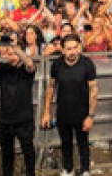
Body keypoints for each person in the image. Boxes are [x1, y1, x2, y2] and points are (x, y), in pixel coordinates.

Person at [42, 34, 98, 176]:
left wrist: (90, 116)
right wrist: (46, 112)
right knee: (65, 144)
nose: (72, 52)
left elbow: (93, 91)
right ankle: (68, 169)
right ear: (62, 50)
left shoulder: (87, 64)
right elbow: (51, 88)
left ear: (79, 47)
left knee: (83, 144)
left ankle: (85, 170)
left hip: (82, 113)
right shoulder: (57, 64)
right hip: (63, 113)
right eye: (68, 49)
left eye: (75, 48)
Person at [0, 31, 36, 176]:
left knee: (28, 152)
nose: (11, 55)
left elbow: (30, 64)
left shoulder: (26, 70)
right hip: (5, 120)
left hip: (24, 120)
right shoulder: (3, 69)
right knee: (6, 155)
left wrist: (15, 48)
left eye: (13, 53)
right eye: (8, 53)